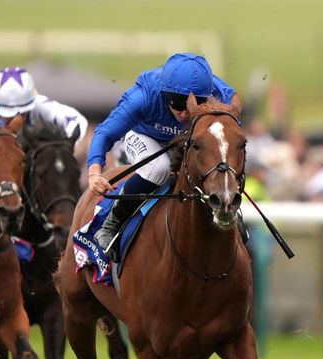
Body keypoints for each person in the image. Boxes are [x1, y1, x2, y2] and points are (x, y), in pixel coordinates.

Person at [85, 53, 236, 257]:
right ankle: (111, 223)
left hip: (187, 141)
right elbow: (105, 133)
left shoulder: (218, 92)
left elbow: (233, 126)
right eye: (177, 103)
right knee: (160, 168)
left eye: (193, 104)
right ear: (165, 95)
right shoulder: (144, 96)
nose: (184, 113)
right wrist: (94, 172)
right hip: (144, 136)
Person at [0, 66, 88, 148]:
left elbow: (78, 121)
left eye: (22, 114)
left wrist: (68, 147)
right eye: (8, 117)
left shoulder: (40, 105)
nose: (15, 121)